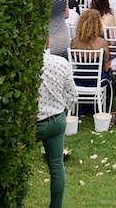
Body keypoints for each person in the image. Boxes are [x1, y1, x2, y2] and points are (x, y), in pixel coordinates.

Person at [36, 43, 77, 208]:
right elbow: (73, 94)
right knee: (57, 167)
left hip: (34, 123)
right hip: (57, 120)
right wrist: (62, 109)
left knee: (15, 161)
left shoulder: (24, 65)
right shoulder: (61, 62)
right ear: (47, 42)